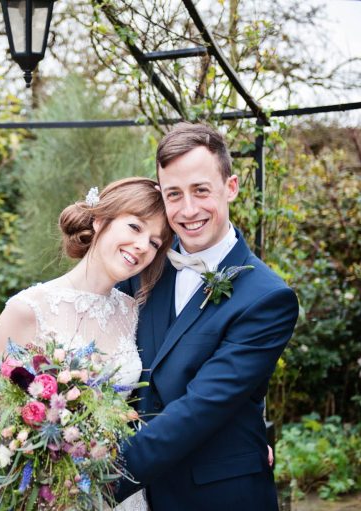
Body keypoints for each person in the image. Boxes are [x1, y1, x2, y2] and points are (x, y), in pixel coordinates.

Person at [114, 122, 299, 511]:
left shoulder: (268, 298)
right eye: (174, 195)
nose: (188, 210)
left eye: (201, 190)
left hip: (217, 495)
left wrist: (94, 477)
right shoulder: (142, 267)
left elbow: (201, 408)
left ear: (230, 187)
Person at [0, 177, 173, 511]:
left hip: (118, 492)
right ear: (100, 220)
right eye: (134, 227)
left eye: (155, 242)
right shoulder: (27, 310)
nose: (143, 245)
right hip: (48, 495)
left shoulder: (135, 314)